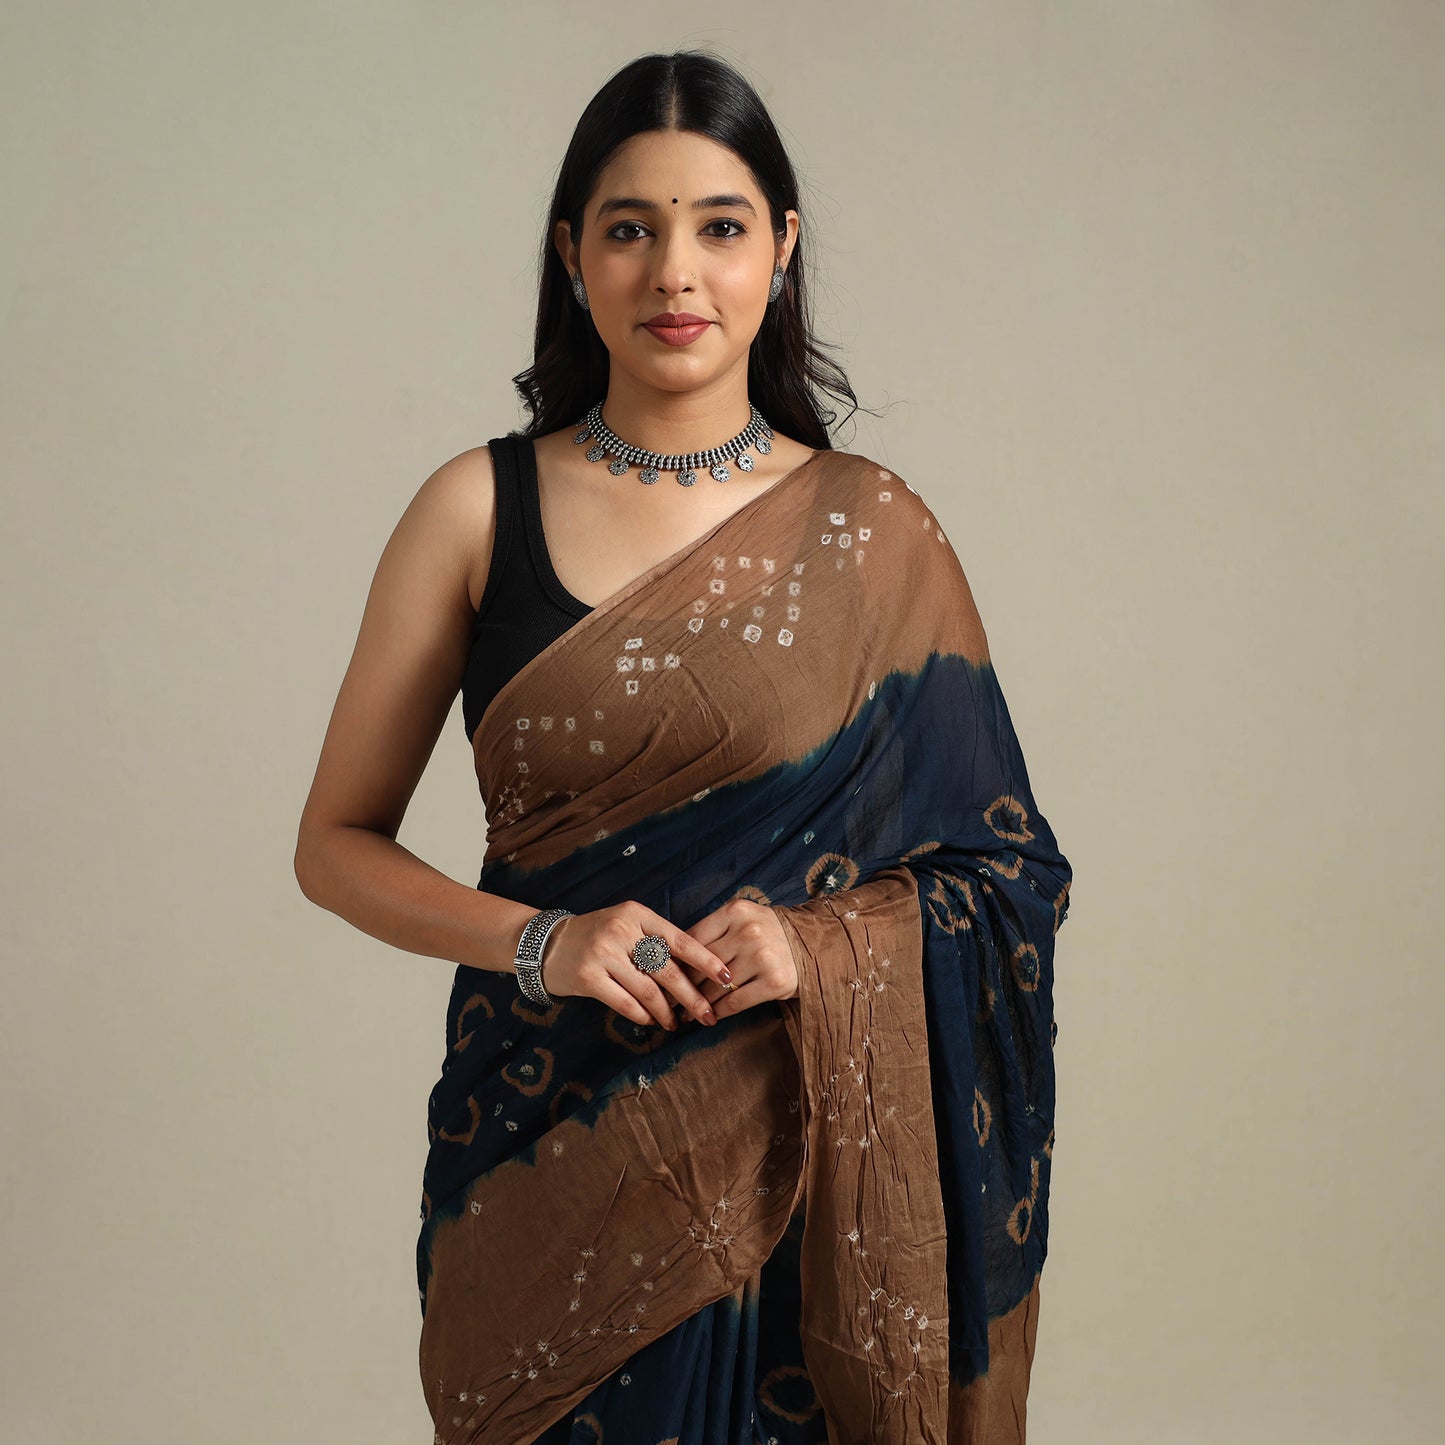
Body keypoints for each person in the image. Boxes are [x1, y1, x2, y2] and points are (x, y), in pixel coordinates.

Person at [295, 48, 1073, 1445]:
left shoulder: (870, 532)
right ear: (571, 255)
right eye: (629, 229)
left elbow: (1006, 871)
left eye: (719, 226)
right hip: (546, 1163)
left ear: (780, 250)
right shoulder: (475, 510)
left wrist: (818, 948)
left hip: (801, 1178)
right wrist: (546, 942)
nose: (675, 272)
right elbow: (333, 845)